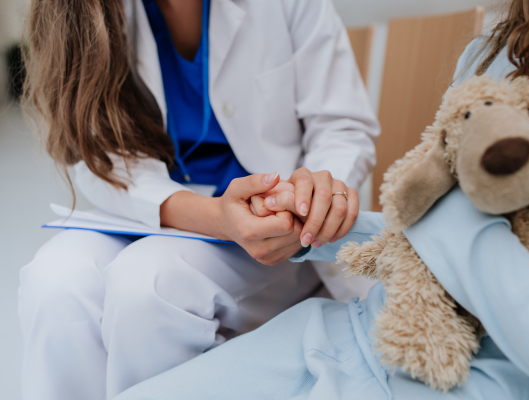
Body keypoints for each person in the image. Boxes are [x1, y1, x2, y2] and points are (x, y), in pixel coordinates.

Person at [114, 0, 529, 399]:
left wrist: (437, 211)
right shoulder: (491, 54)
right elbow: (425, 245)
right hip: (365, 331)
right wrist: (306, 224)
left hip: (467, 376)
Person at [18, 0, 379, 399]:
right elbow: (97, 153)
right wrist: (214, 215)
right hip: (149, 209)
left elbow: (341, 127)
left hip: (273, 231)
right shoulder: (92, 11)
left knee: (150, 286)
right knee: (54, 280)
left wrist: (309, 195)